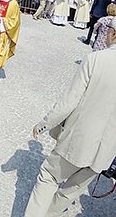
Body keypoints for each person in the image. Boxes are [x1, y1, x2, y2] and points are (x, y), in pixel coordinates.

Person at [24, 16, 116, 217]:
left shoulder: (97, 59)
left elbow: (69, 101)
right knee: (72, 190)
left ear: (113, 33)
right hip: (106, 151)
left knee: (48, 176)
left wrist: (43, 124)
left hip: (80, 140)